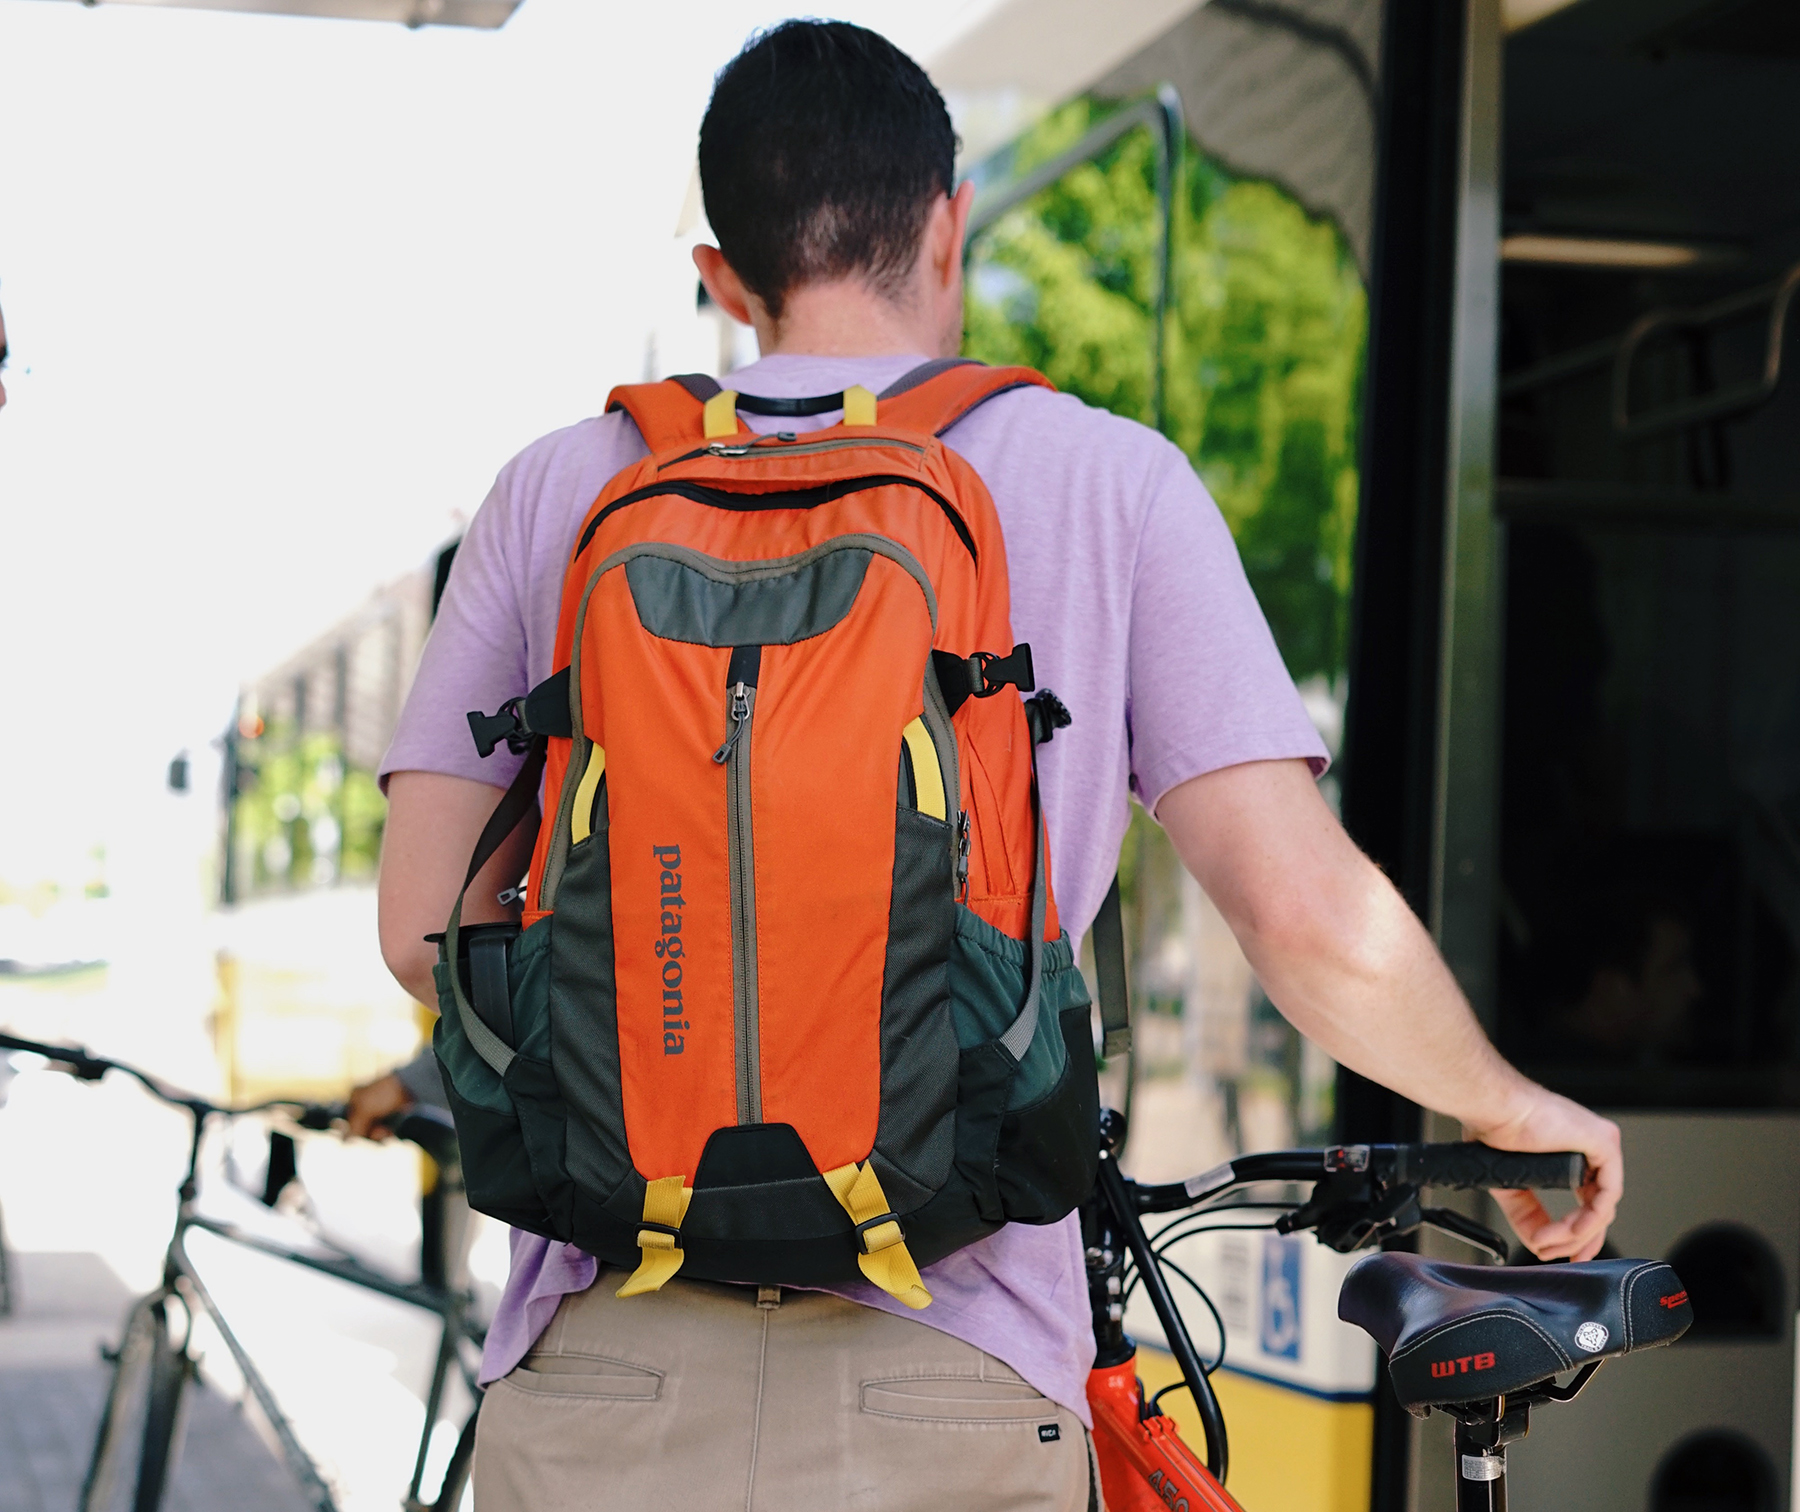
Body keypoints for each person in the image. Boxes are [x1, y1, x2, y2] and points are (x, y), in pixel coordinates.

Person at [373, 21, 1623, 1510]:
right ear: (947, 216)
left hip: (605, 1377)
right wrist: (1501, 1106)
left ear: (724, 272)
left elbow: (421, 930)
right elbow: (1302, 918)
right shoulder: (1109, 481)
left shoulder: (563, 490)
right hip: (948, 1389)